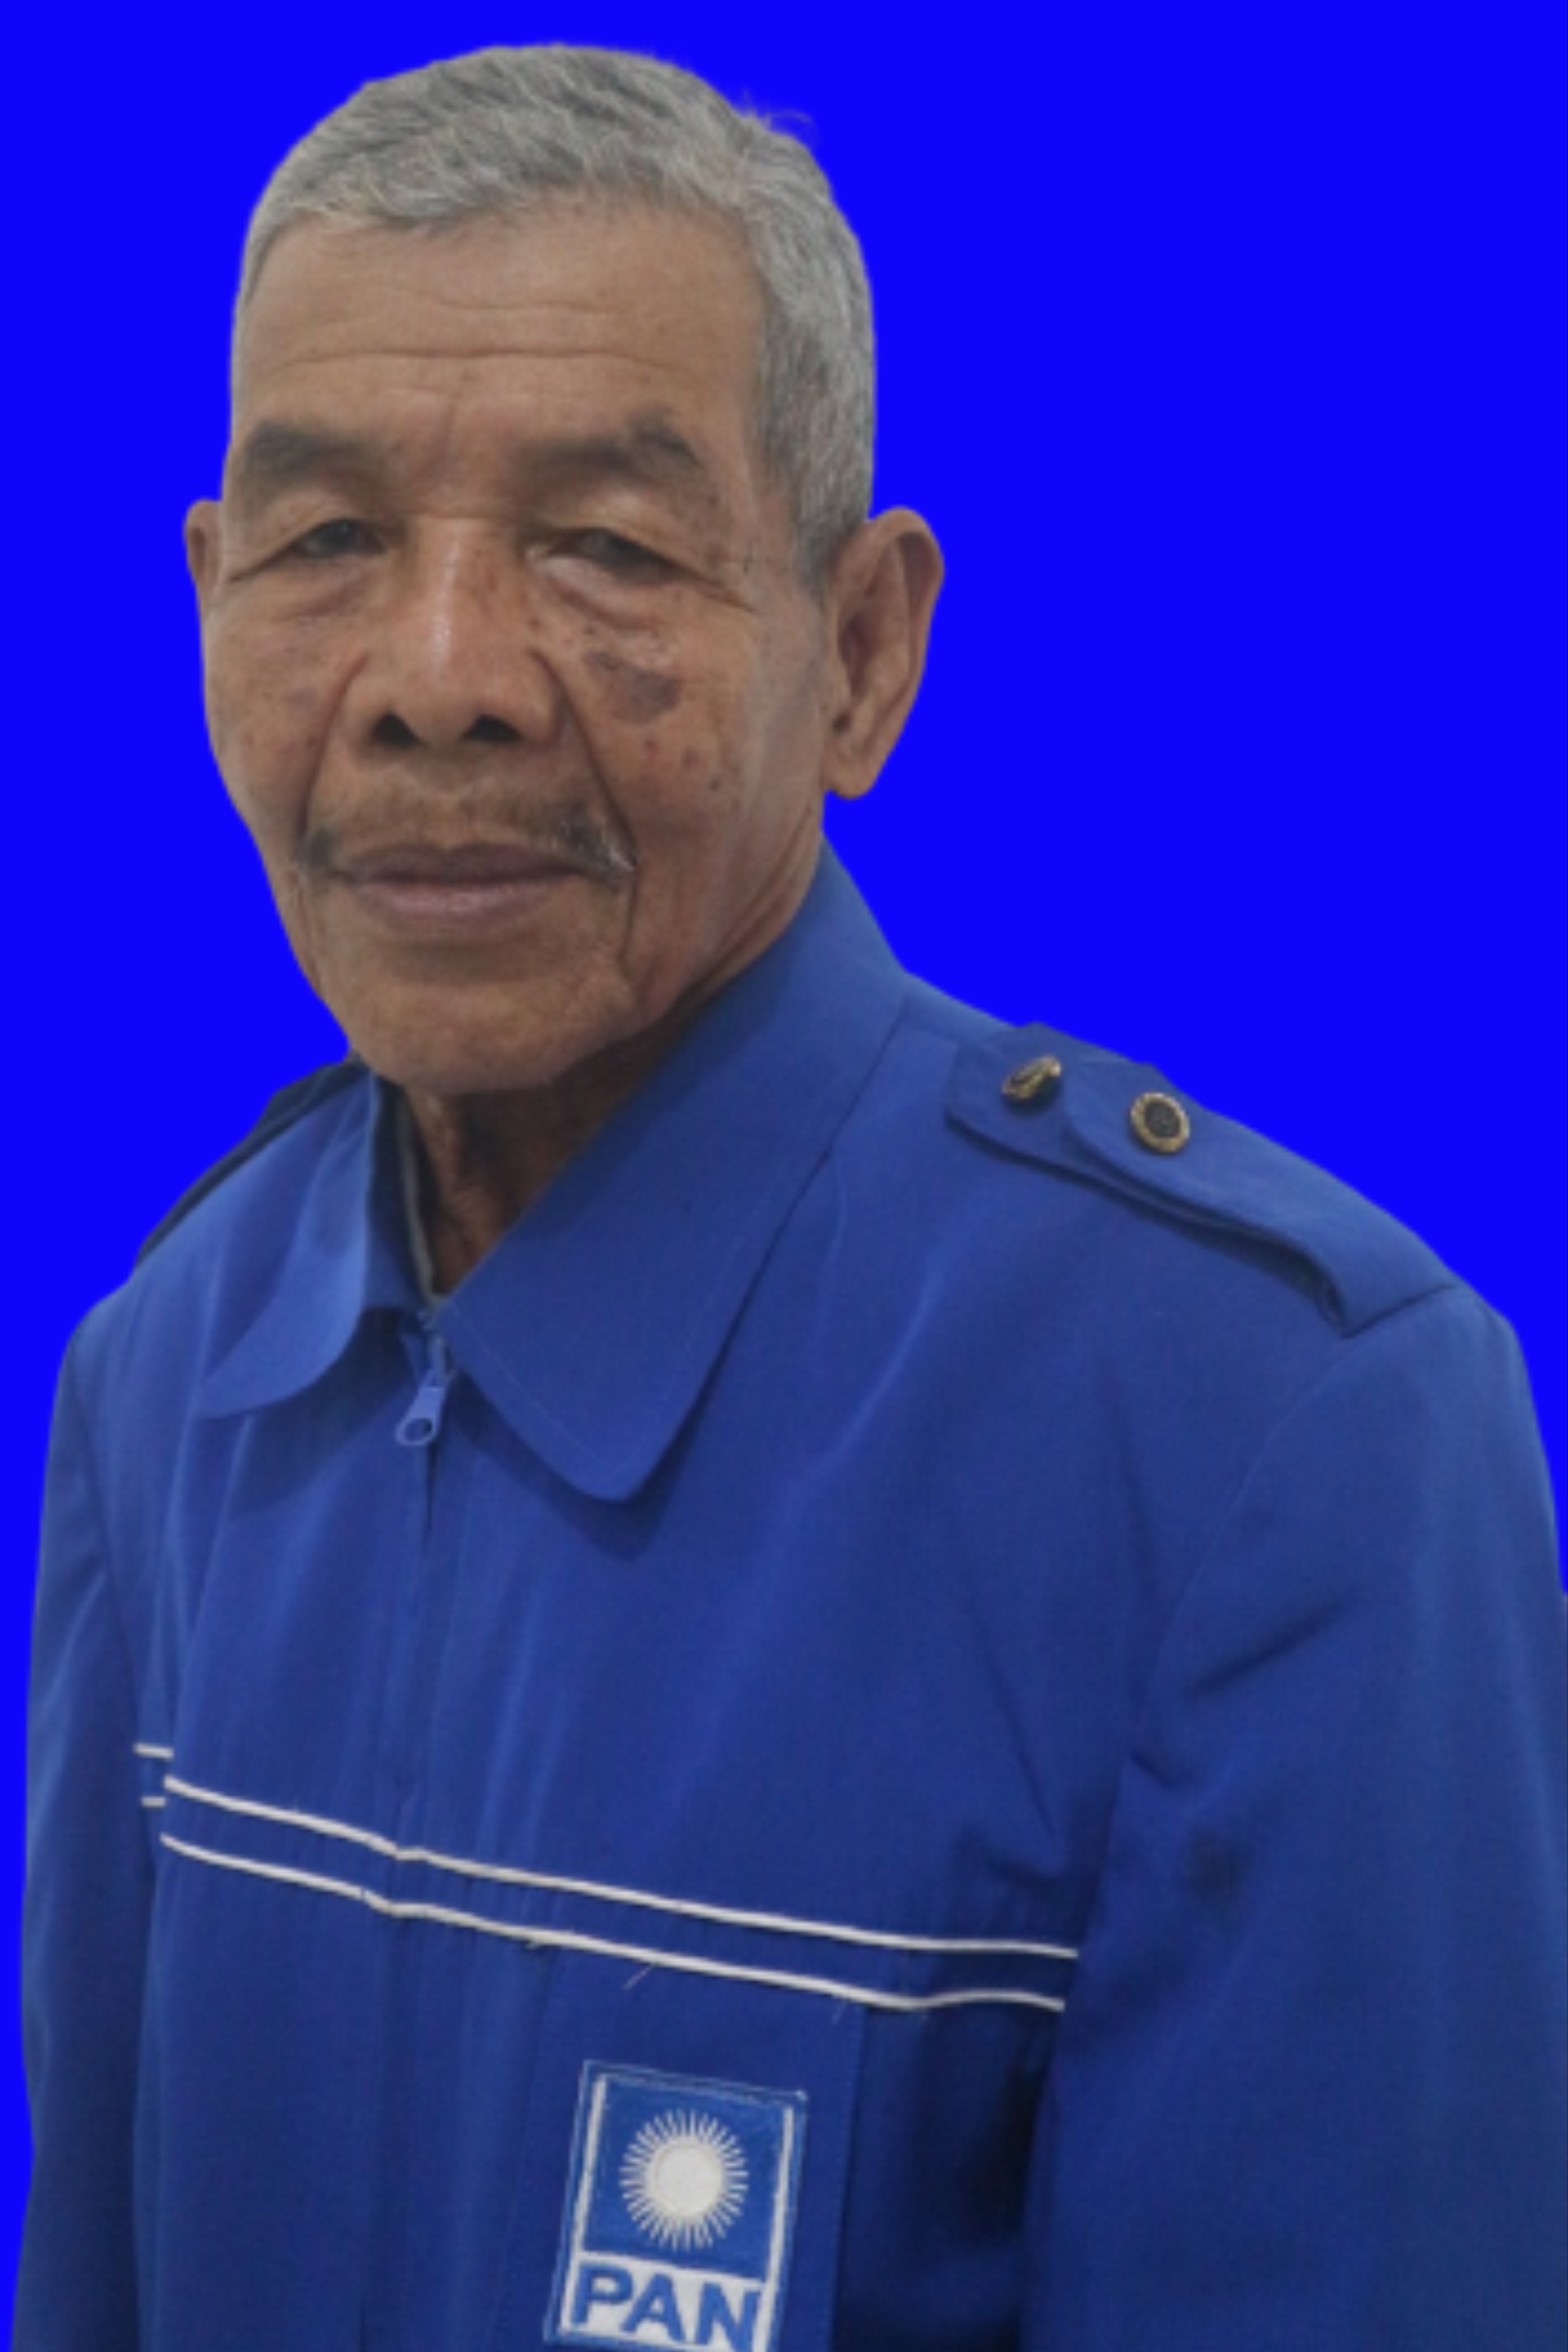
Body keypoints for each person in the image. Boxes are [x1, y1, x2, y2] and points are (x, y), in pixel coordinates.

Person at [16, 42, 1565, 2352]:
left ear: (862, 652)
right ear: (206, 596)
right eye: (326, 543)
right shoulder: (168, 1372)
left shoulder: (1271, 1440)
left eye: (606, 547)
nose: (436, 681)